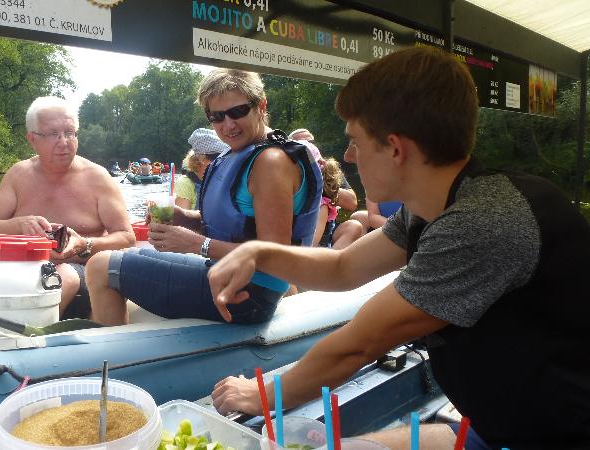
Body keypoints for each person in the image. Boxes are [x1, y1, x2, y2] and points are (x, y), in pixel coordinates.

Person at [208, 47, 590, 449]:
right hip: (502, 425)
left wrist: (260, 395)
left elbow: (360, 344)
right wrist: (259, 253)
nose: (348, 157)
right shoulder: (432, 207)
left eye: (355, 142)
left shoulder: (482, 222)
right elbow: (342, 267)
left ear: (395, 148)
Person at [85, 68, 322, 326]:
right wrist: (184, 217)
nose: (228, 124)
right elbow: (238, 225)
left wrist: (196, 244)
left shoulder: (270, 162)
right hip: (224, 274)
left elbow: (275, 256)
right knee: (120, 253)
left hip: (249, 295)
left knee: (101, 267)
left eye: (238, 111)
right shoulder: (240, 152)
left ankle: (115, 350)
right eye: (216, 116)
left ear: (261, 106)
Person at [0, 97, 135, 320]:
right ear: (32, 140)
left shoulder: (98, 177)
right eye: (52, 134)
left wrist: (85, 245)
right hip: (23, 275)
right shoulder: (18, 175)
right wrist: (19, 224)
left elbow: (127, 237)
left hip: (84, 276)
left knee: (63, 277)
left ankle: (33, 334)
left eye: (69, 133)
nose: (63, 142)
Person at [288, 128, 362, 248]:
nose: (306, 146)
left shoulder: (328, 171)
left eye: (310, 142)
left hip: (323, 231)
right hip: (298, 235)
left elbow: (352, 203)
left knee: (353, 226)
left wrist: (320, 182)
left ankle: (331, 258)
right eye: (299, 143)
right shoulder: (286, 173)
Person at [174, 128, 227, 210]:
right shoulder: (184, 184)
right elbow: (181, 217)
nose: (223, 163)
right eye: (217, 159)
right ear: (202, 158)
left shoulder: (221, 180)